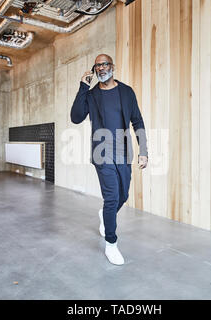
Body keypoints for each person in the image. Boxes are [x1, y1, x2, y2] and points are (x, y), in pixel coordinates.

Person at [70, 54, 148, 265]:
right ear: (94, 70)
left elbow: (137, 121)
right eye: (98, 66)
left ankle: (106, 214)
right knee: (112, 197)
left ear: (112, 66)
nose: (102, 68)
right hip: (101, 153)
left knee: (123, 194)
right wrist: (83, 87)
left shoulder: (126, 92)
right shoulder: (92, 94)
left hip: (124, 152)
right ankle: (111, 244)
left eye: (105, 64)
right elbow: (76, 117)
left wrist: (144, 150)